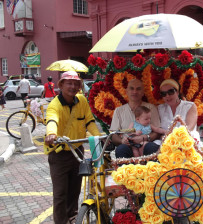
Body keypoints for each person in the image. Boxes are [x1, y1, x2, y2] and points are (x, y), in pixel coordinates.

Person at [44, 71, 101, 224]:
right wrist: (51, 134)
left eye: (76, 83)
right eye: (69, 83)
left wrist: (98, 138)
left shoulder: (81, 100)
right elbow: (52, 120)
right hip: (59, 154)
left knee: (75, 190)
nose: (73, 86)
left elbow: (89, 121)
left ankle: (73, 217)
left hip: (77, 152)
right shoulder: (54, 105)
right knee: (60, 193)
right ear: (61, 85)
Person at [111, 79, 161, 158]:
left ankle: (152, 170)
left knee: (152, 147)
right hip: (127, 145)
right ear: (126, 91)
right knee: (121, 149)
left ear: (143, 92)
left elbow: (157, 132)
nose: (135, 92)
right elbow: (113, 134)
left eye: (138, 89)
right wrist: (122, 141)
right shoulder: (119, 111)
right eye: (131, 88)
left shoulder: (151, 108)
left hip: (146, 143)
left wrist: (145, 138)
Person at [158, 79, 203, 148]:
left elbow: (189, 128)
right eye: (163, 94)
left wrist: (175, 139)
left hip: (187, 140)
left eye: (170, 92)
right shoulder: (160, 108)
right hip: (165, 141)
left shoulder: (189, 106)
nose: (167, 96)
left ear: (177, 92)